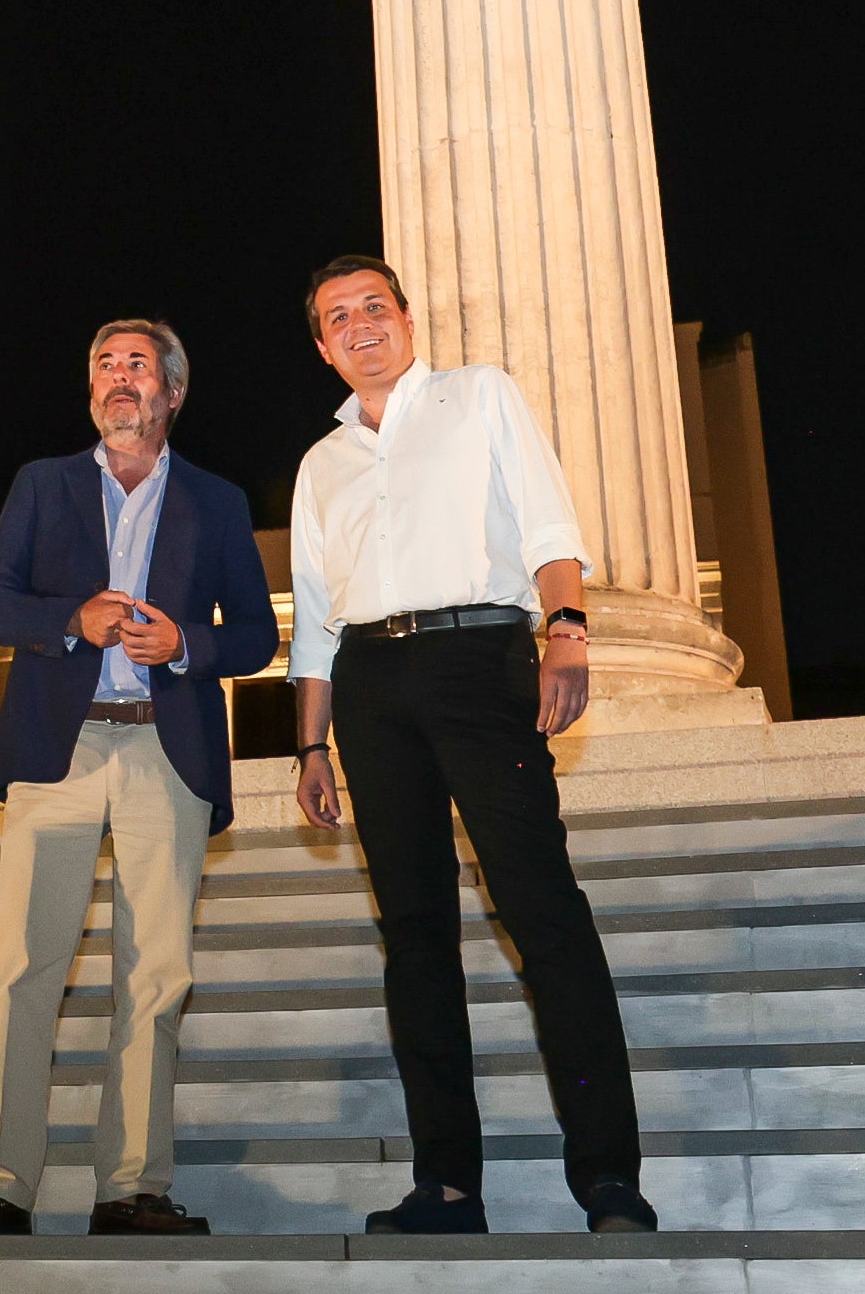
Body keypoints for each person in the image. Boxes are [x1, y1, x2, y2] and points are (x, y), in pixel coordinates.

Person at [287, 256, 657, 1236]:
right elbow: (315, 617)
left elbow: (547, 523)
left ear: (406, 318)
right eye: (338, 316)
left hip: (480, 658)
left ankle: (608, 1178)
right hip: (370, 687)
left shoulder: (479, 394)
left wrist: (566, 628)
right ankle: (446, 1186)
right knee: (414, 939)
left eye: (374, 306)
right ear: (322, 346)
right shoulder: (321, 463)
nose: (360, 324)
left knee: (541, 910)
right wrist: (311, 744)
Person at [0, 317, 279, 1237]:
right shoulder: (40, 483)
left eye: (137, 364)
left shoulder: (215, 498)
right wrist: (70, 621)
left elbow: (255, 633)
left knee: (154, 972)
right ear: (91, 388)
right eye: (103, 364)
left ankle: (131, 1186)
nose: (118, 377)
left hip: (168, 750)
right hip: (59, 747)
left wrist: (186, 643)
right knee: (23, 965)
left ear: (172, 390)